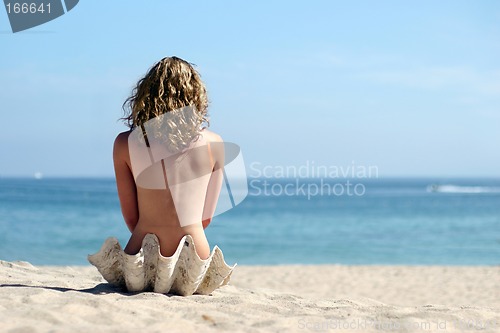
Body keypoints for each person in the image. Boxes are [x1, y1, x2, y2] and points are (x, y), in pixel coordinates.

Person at [113, 56, 224, 260]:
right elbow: (205, 218)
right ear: (196, 96)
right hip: (193, 254)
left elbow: (131, 217)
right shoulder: (215, 143)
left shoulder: (125, 143)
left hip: (143, 251)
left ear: (145, 95)